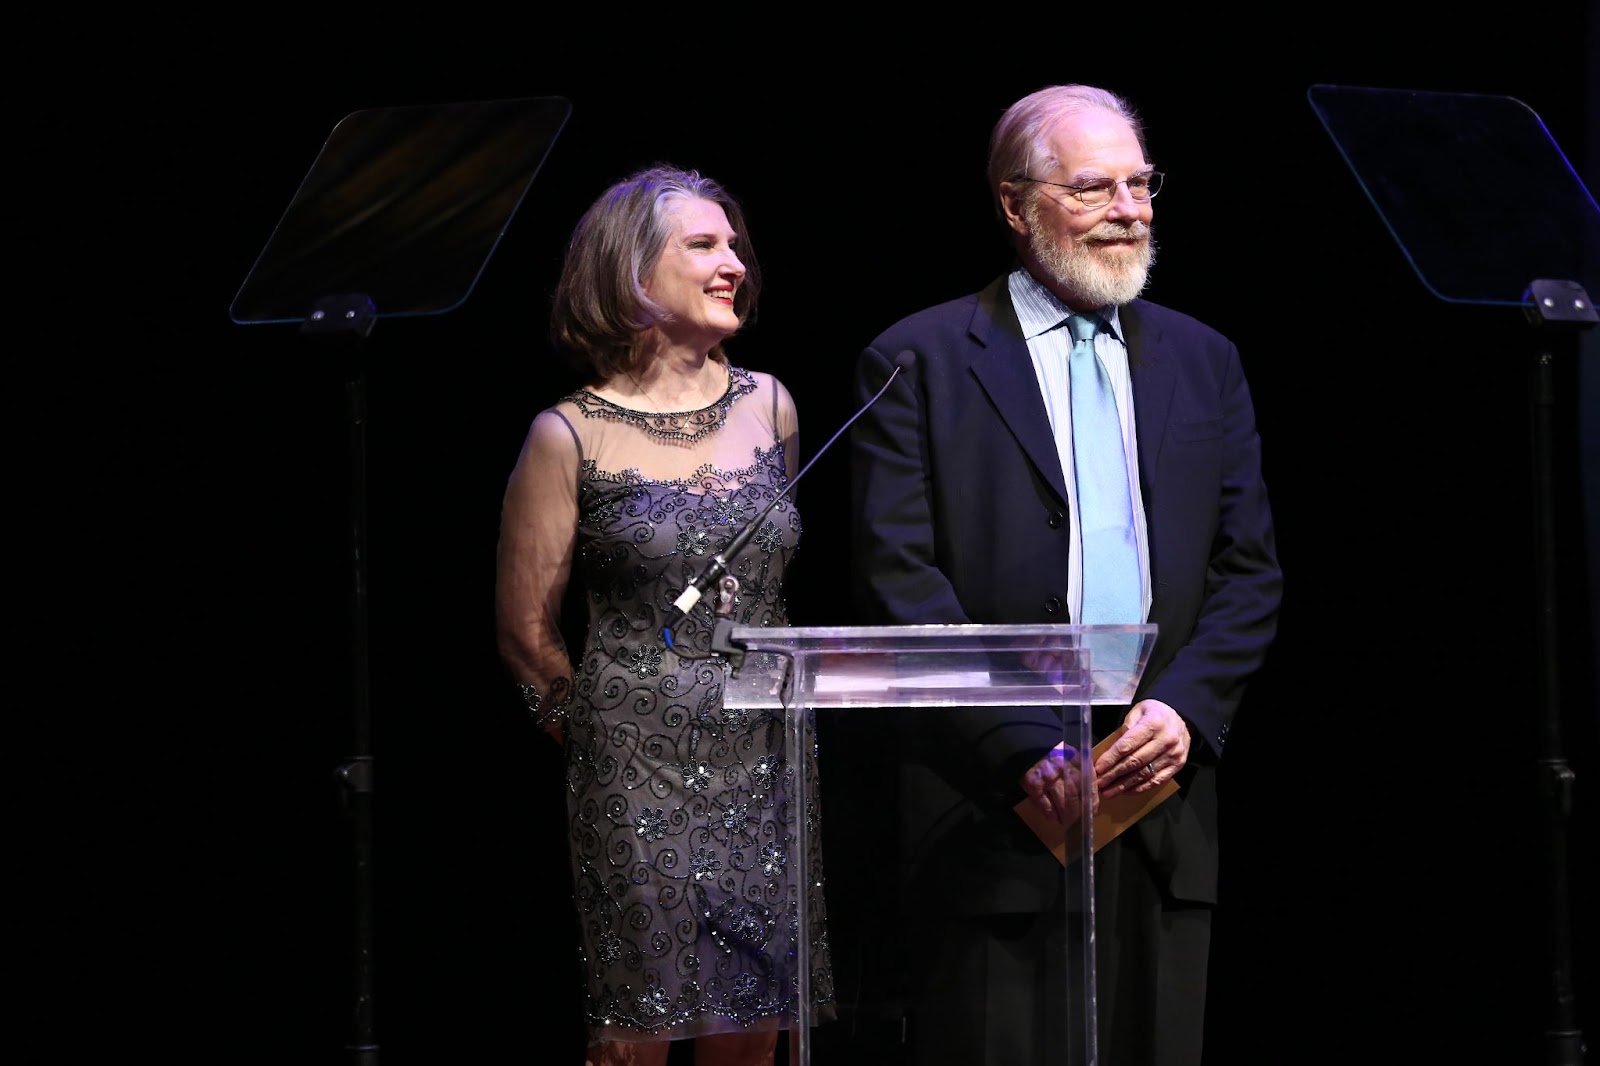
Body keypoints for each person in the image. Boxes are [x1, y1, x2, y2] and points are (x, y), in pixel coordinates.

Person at [847, 84, 1283, 1066]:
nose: (1130, 207)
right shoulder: (914, 360)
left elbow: (1247, 571)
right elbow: (899, 579)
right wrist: (1018, 747)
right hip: (990, 800)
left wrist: (1184, 710)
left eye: (1140, 182)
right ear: (1015, 205)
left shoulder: (1204, 360)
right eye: (1093, 187)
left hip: (1159, 783)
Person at [495, 164, 835, 1066]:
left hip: (763, 760)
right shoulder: (569, 433)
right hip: (632, 768)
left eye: (736, 247)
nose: (734, 264)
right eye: (704, 246)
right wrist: (607, 738)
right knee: (637, 1030)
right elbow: (528, 633)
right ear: (634, 275)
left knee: (751, 1028)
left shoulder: (772, 406)